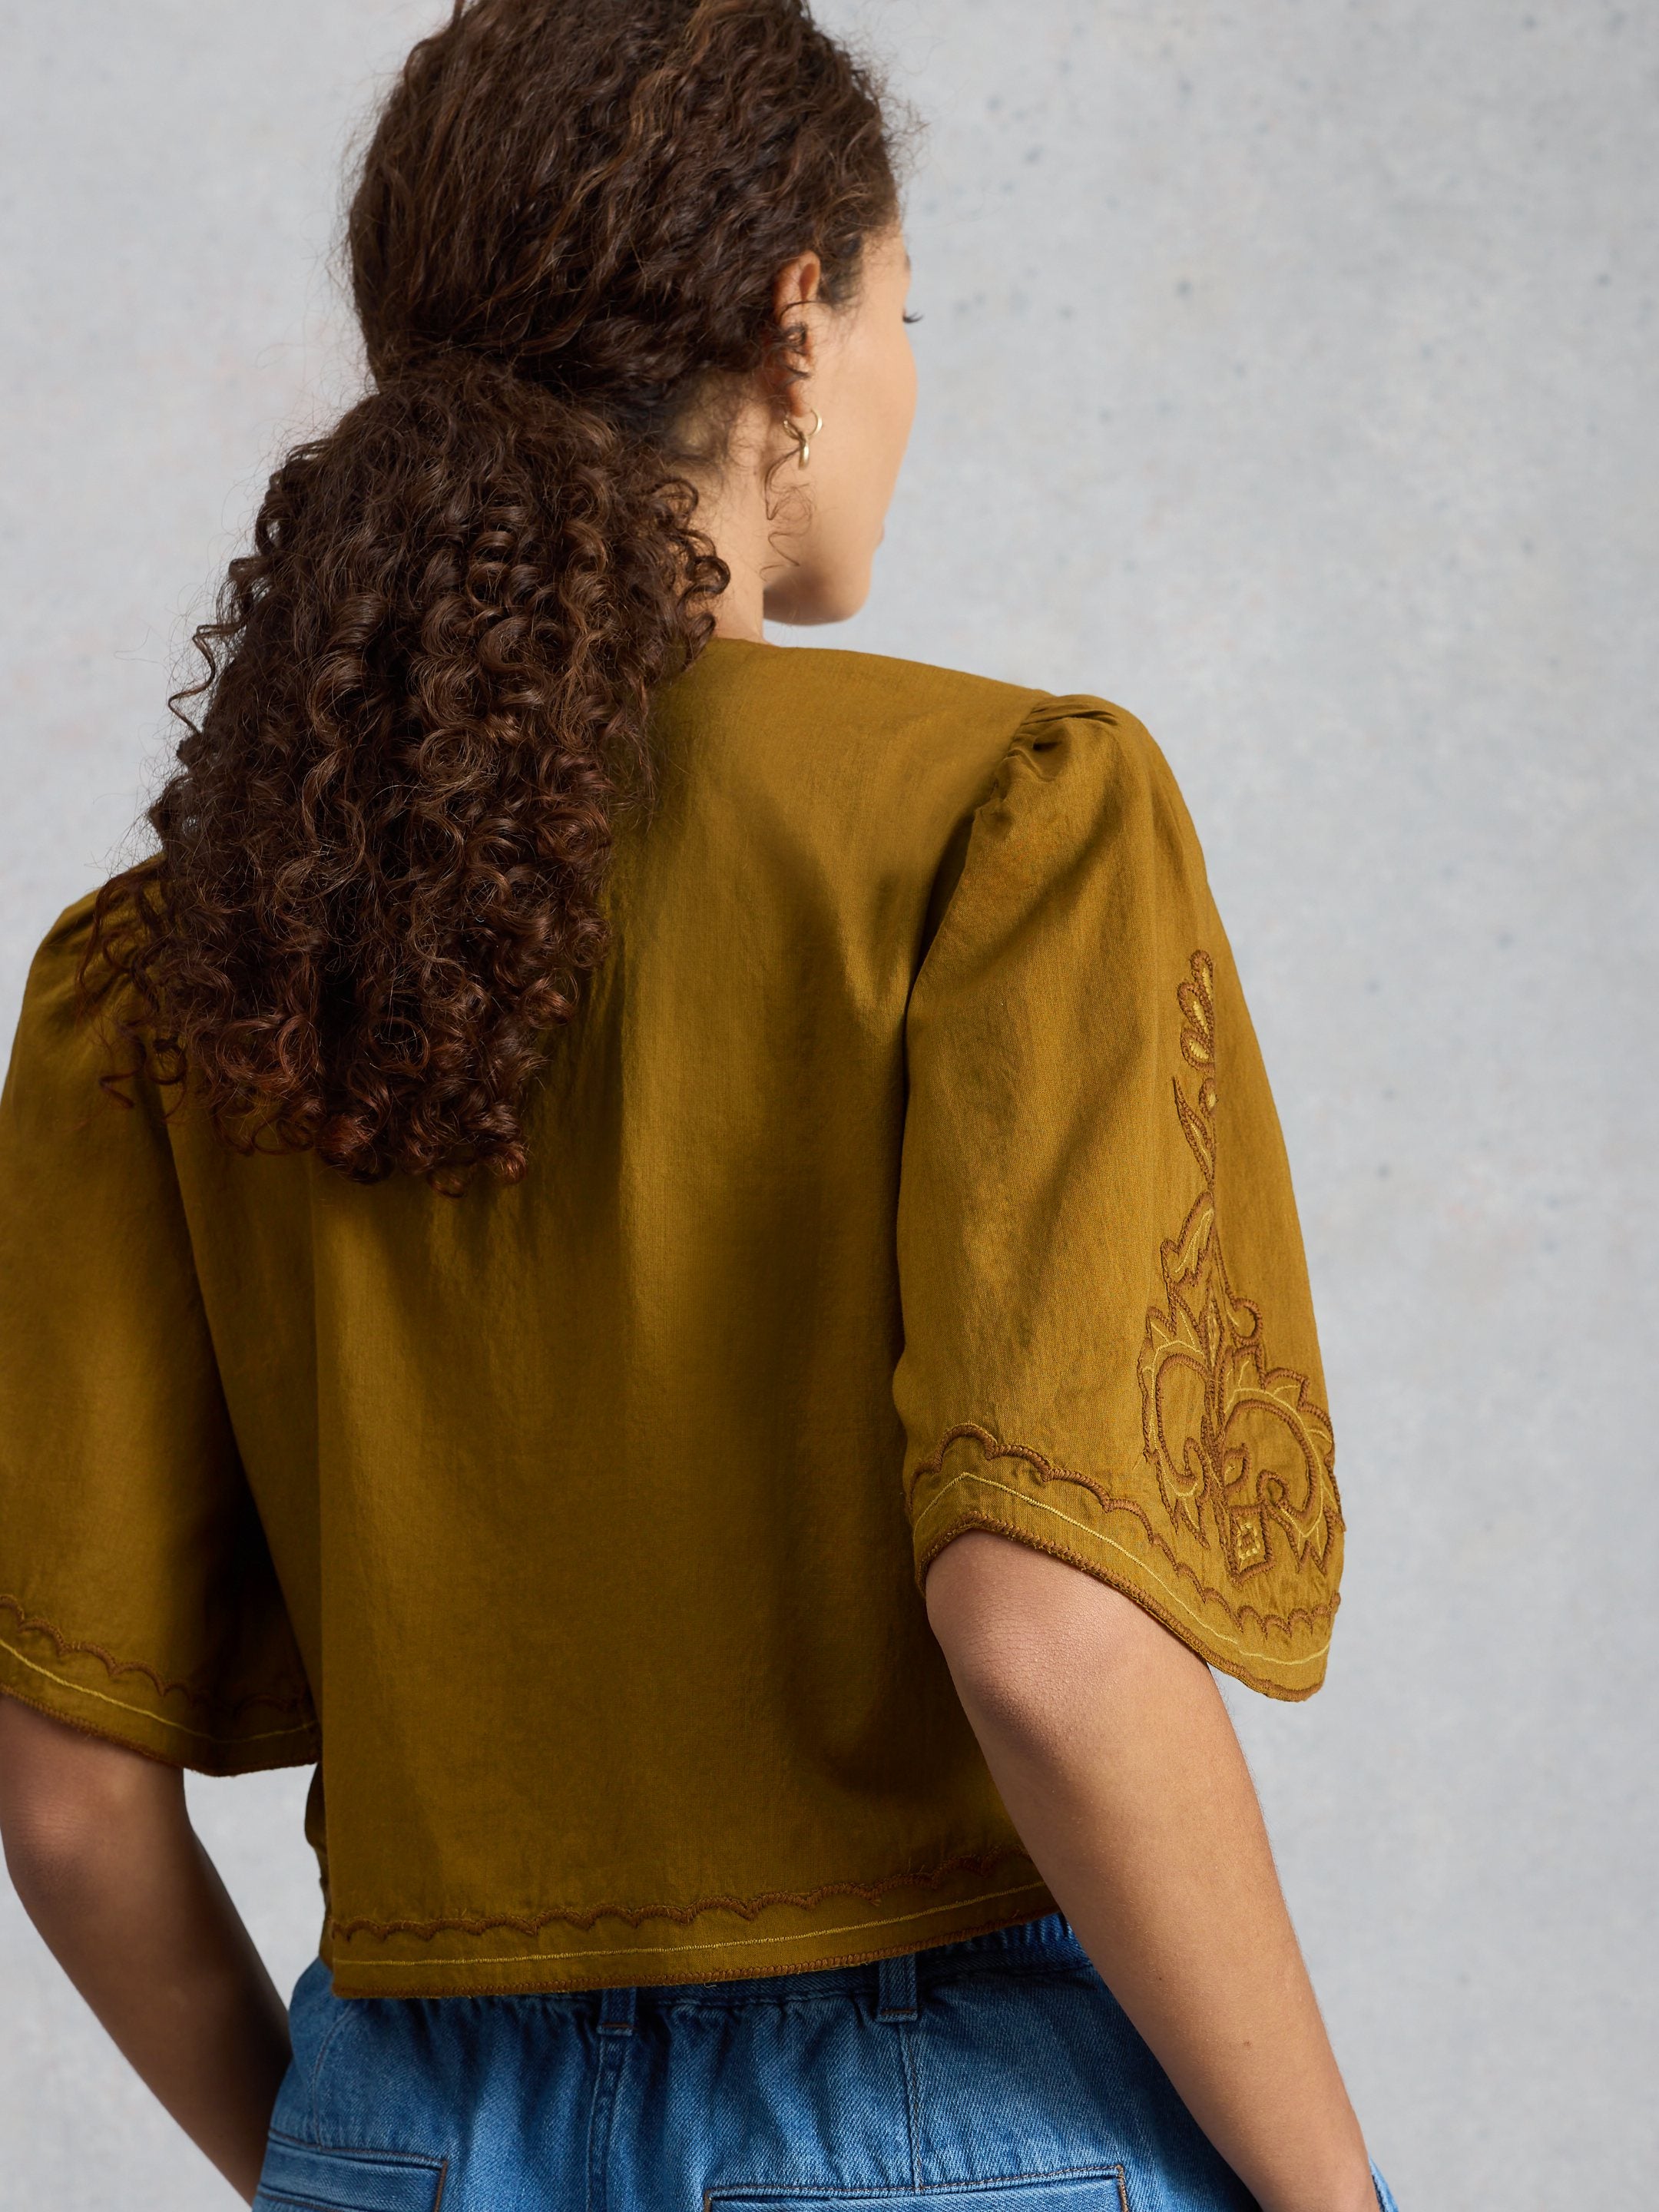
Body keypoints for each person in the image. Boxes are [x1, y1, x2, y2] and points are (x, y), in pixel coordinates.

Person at [0, 3, 1393, 2207]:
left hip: (406, 2123)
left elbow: (69, 1803)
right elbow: (1044, 1639)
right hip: (934, 2131)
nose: (909, 377)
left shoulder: (158, 975)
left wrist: (360, 2162)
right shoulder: (1001, 828)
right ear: (798, 325)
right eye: (903, 307)